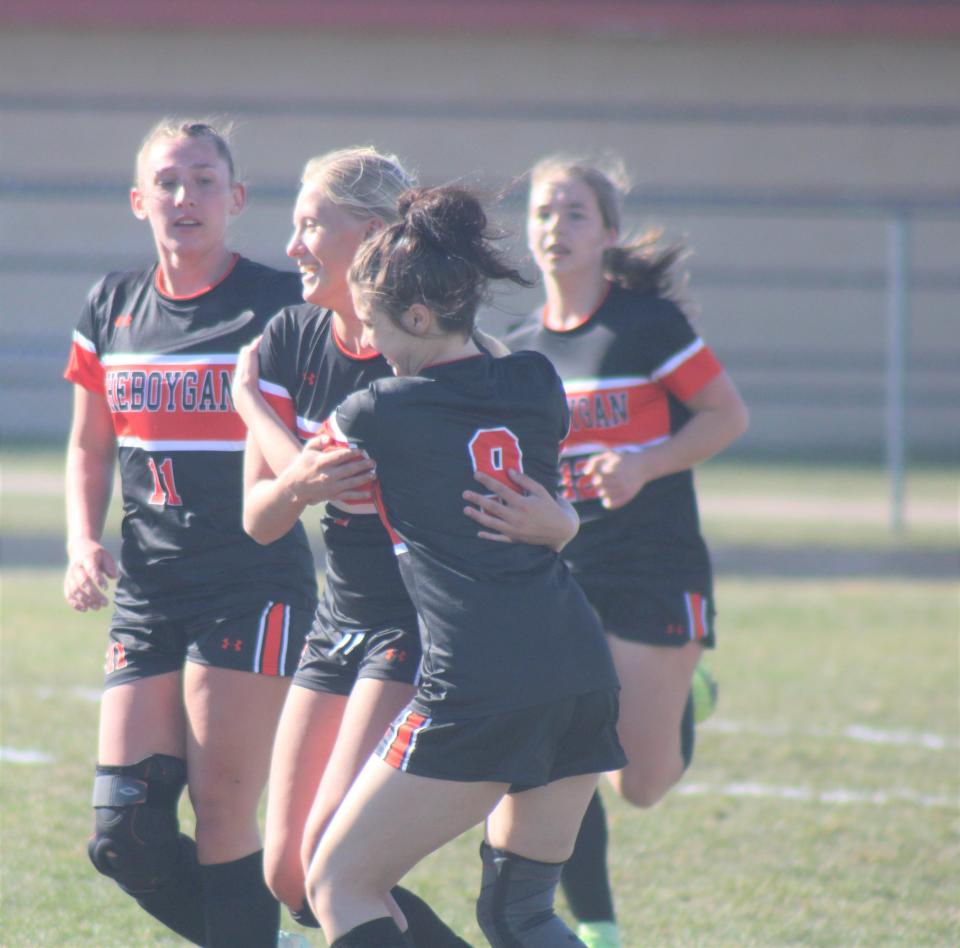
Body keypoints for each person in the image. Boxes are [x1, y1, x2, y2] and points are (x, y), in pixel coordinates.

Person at [301, 185, 627, 948]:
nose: (373, 345)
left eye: (378, 323)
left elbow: (284, 495)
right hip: (579, 667)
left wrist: (251, 401)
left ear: (417, 317)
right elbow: (490, 375)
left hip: (478, 682)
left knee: (338, 885)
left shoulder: (376, 410)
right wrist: (569, 521)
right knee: (521, 915)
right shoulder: (537, 381)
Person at [63, 119, 317, 947]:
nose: (186, 197)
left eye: (204, 181)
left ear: (236, 199)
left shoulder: (281, 302)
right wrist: (80, 539)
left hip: (251, 585)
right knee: (123, 833)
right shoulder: (111, 304)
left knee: (220, 811)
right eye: (168, 182)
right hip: (146, 589)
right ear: (140, 202)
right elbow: (88, 444)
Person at [489, 156, 749, 948]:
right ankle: (595, 924)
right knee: (557, 743)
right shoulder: (520, 349)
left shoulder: (646, 325)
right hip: (561, 570)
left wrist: (643, 463)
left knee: (639, 783)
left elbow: (725, 416)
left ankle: (686, 693)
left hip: (655, 566)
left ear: (606, 231)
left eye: (573, 213)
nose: (553, 228)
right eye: (541, 212)